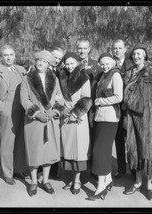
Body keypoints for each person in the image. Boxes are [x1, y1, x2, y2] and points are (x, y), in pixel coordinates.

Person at [122, 43, 152, 201]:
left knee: (148, 150)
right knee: (135, 149)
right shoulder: (129, 72)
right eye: (134, 54)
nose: (136, 56)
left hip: (149, 118)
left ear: (145, 55)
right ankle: (137, 182)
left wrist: (136, 102)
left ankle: (150, 185)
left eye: (140, 54)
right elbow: (125, 92)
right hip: (132, 116)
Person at [20, 50, 64, 196]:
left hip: (50, 121)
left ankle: (45, 180)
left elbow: (59, 97)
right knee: (34, 151)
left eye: (45, 61)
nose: (41, 63)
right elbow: (24, 99)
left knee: (48, 152)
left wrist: (54, 112)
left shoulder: (54, 78)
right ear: (35, 61)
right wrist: (37, 114)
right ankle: (33, 182)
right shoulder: (27, 78)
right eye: (39, 60)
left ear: (48, 64)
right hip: (34, 121)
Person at [0, 45, 29, 185]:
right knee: (8, 142)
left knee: (21, 141)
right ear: (1, 57)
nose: (9, 57)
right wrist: (2, 108)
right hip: (7, 108)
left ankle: (18, 169)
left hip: (23, 108)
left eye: (11, 54)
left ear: (15, 55)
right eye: (5, 55)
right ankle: (8, 172)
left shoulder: (21, 70)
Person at [88, 53, 123, 200]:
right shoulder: (102, 75)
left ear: (113, 62)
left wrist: (100, 101)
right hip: (100, 117)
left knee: (99, 151)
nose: (105, 66)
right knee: (103, 150)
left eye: (107, 63)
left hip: (109, 118)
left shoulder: (115, 75)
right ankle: (107, 179)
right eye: (102, 64)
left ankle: (101, 186)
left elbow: (118, 97)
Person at [59, 52, 92, 195]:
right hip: (65, 116)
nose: (69, 66)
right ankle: (73, 178)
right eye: (67, 63)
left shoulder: (84, 77)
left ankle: (77, 180)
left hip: (79, 117)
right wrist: (64, 109)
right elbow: (58, 96)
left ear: (78, 63)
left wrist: (75, 113)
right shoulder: (62, 77)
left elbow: (87, 98)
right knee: (69, 149)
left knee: (78, 151)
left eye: (72, 63)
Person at [76, 38, 102, 180]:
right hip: (77, 107)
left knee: (93, 138)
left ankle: (94, 169)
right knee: (80, 139)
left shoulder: (96, 65)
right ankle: (78, 171)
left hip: (92, 107)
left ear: (89, 49)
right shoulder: (73, 64)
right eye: (80, 48)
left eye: (85, 48)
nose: (82, 51)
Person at [111, 39, 135, 180]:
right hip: (115, 109)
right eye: (115, 48)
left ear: (125, 49)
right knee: (119, 140)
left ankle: (133, 168)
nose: (117, 51)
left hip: (129, 109)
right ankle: (121, 168)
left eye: (120, 48)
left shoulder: (131, 65)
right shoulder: (110, 63)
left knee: (130, 141)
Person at [48, 46, 65, 180]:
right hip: (44, 110)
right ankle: (42, 170)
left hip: (56, 110)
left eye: (59, 58)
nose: (57, 60)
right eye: (55, 57)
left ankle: (54, 171)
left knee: (55, 140)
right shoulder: (39, 69)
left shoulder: (60, 72)